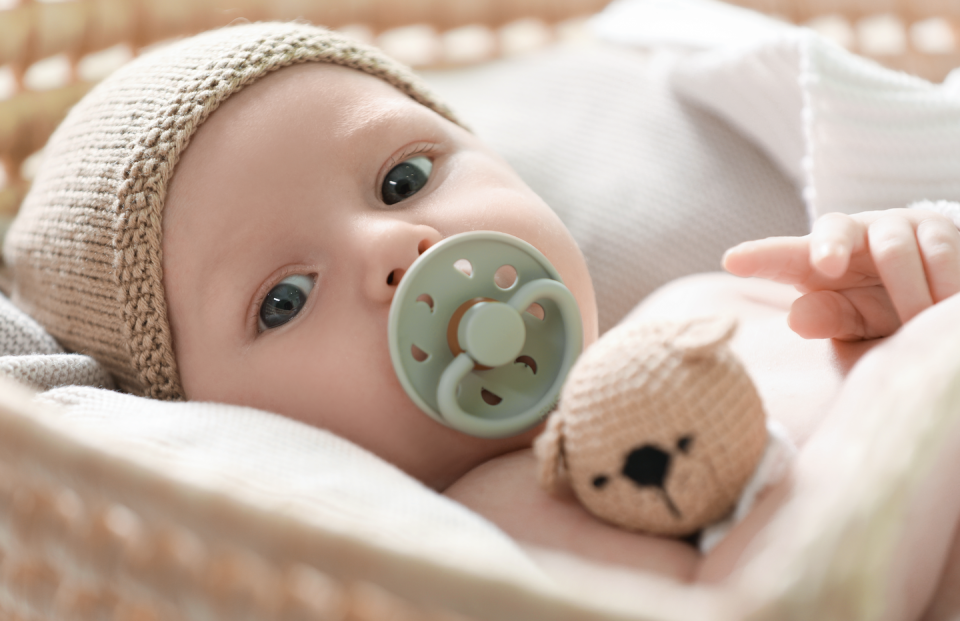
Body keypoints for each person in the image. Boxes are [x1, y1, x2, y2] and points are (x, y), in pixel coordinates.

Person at [5, 20, 960, 610]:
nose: (395, 251)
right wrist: (919, 366)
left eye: (404, 178)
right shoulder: (498, 524)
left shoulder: (703, 300)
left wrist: (911, 262)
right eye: (283, 299)